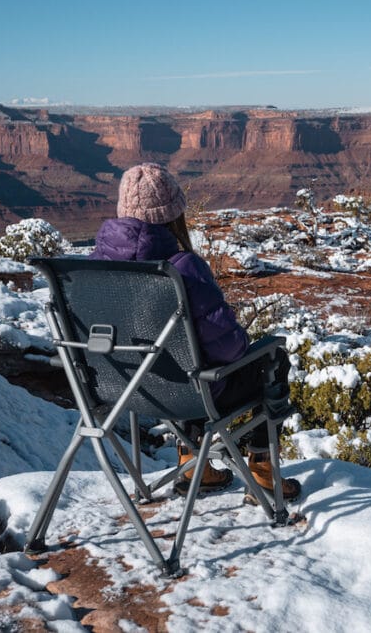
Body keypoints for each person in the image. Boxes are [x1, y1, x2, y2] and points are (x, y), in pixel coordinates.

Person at [90, 162, 300, 500]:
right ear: (174, 216)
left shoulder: (93, 267)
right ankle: (262, 470)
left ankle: (193, 462)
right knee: (270, 359)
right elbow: (229, 349)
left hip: (119, 390)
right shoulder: (183, 268)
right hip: (183, 395)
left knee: (181, 358)